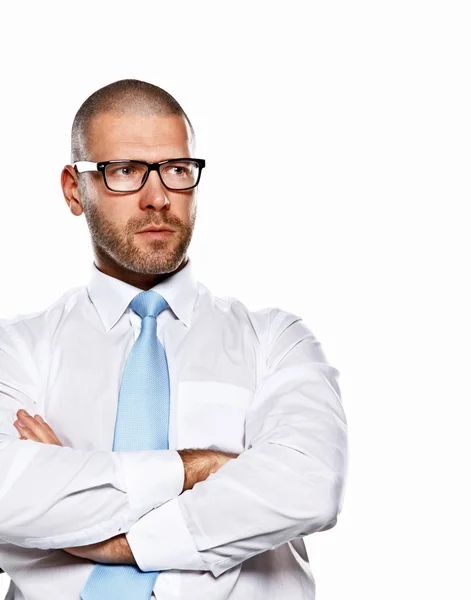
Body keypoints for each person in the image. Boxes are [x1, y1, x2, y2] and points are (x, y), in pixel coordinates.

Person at [0, 78, 348, 599]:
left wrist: (110, 537)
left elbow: (308, 487)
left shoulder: (275, 342)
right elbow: (7, 493)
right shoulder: (17, 350)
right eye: (124, 172)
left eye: (177, 171)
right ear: (75, 189)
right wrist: (195, 468)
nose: (158, 198)